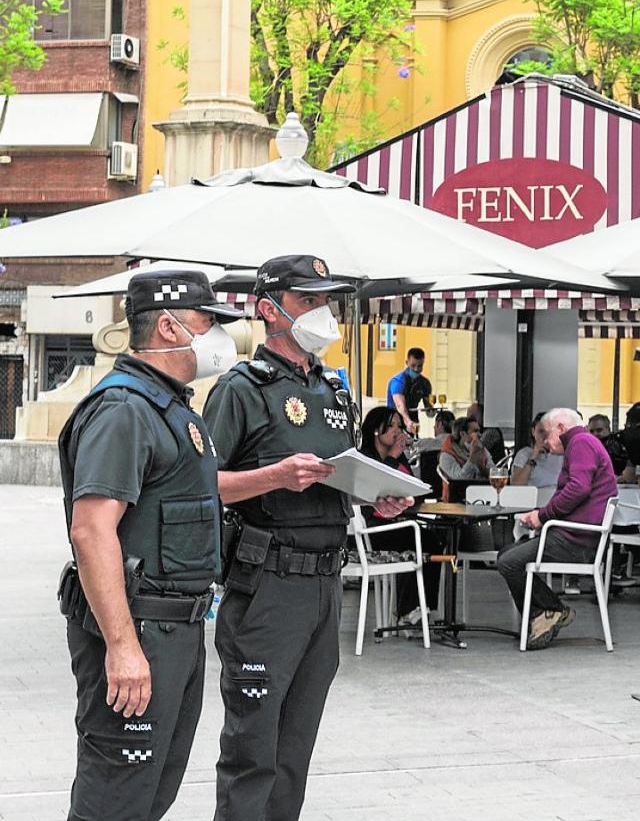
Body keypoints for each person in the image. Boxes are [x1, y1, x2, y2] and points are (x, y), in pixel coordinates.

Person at [204, 255, 412, 821]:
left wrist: (375, 495)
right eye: (307, 300)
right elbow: (202, 486)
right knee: (254, 749)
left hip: (325, 584)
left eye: (326, 300)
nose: (322, 311)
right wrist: (274, 475)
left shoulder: (333, 390)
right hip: (267, 586)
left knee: (294, 749)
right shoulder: (241, 389)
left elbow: (338, 476)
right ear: (269, 310)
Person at [57, 270, 244, 821]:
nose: (218, 339)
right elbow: (91, 530)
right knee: (116, 795)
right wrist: (121, 646)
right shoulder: (124, 410)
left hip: (174, 632)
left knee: (148, 792)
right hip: (139, 631)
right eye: (208, 323)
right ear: (168, 326)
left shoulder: (170, 406)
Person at [496, 409, 618, 649]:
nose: (544, 442)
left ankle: (548, 613)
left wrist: (542, 515)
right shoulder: (583, 443)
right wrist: (542, 516)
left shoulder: (580, 443)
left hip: (575, 540)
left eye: (547, 434)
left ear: (561, 428)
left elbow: (578, 489)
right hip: (578, 535)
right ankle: (546, 614)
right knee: (506, 554)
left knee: (508, 562)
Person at [357, 406, 445, 622]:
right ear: (376, 430)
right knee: (416, 540)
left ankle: (423, 607)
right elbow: (378, 486)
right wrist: (394, 456)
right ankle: (409, 610)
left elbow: (412, 487)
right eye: (392, 426)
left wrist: (398, 457)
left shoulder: (397, 457)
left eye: (399, 425)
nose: (398, 431)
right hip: (372, 529)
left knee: (432, 540)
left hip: (398, 522)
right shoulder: (365, 458)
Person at [438, 415, 496, 494]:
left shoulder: (481, 449)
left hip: (483, 495)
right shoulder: (447, 455)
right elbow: (460, 481)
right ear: (462, 434)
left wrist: (482, 467)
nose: (480, 435)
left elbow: (495, 474)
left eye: (479, 431)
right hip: (457, 499)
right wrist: (472, 458)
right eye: (475, 431)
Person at [386, 347, 435, 434]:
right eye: (413, 365)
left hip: (413, 422)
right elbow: (400, 405)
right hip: (395, 421)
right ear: (407, 363)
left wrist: (431, 411)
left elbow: (428, 407)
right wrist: (408, 421)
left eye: (419, 366)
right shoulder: (398, 381)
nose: (416, 369)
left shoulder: (425, 383)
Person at [511, 412, 565, 488]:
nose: (545, 436)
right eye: (541, 431)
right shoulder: (524, 454)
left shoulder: (564, 454)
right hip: (534, 497)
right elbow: (516, 485)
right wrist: (533, 458)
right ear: (533, 432)